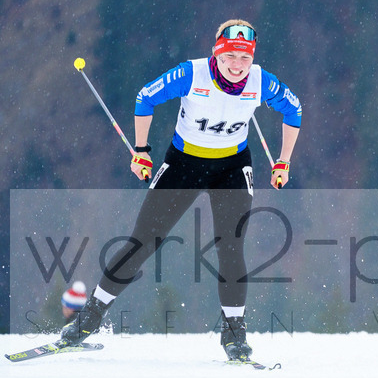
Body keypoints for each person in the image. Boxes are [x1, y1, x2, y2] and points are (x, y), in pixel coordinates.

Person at [56, 19, 302, 359]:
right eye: (230, 56)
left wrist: (283, 161)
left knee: (230, 247)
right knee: (143, 242)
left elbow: (294, 109)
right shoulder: (192, 74)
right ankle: (88, 319)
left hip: (231, 168)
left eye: (245, 58)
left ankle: (234, 337)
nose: (237, 65)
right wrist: (141, 151)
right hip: (184, 164)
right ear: (216, 53)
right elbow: (145, 97)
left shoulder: (262, 82)